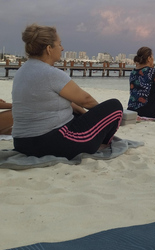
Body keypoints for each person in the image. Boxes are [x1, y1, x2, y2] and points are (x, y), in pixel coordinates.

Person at [12, 24, 123, 160]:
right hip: (49, 142)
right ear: (48, 49)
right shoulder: (51, 73)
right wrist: (101, 116)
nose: (62, 48)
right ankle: (102, 144)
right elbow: (86, 100)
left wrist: (84, 114)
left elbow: (62, 102)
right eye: (59, 44)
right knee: (115, 107)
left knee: (76, 113)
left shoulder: (22, 71)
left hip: (22, 143)